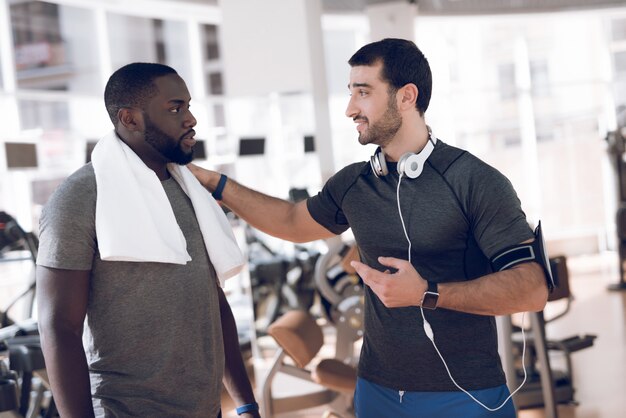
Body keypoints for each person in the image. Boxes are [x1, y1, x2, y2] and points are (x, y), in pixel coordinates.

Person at [190, 38, 551, 418]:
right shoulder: (353, 184)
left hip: (465, 394)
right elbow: (291, 222)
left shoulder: (474, 181)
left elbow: (533, 288)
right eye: (350, 93)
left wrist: (427, 293)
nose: (350, 109)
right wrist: (215, 183)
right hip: (376, 390)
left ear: (406, 97)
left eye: (363, 93)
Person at [36, 63, 260, 418]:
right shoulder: (81, 197)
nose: (190, 119)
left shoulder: (189, 189)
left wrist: (246, 402)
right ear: (130, 119)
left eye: (188, 105)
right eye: (175, 108)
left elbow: (213, 303)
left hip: (205, 409)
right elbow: (58, 326)